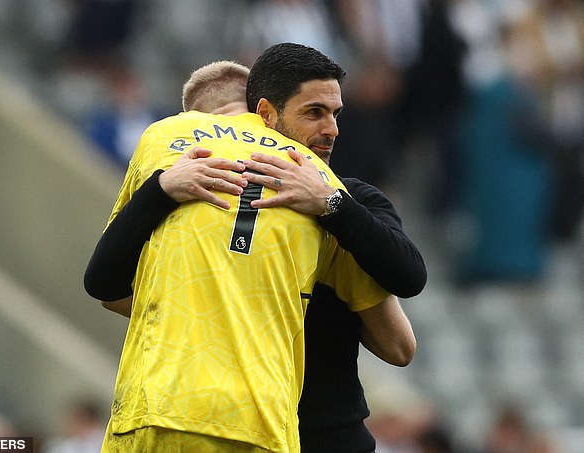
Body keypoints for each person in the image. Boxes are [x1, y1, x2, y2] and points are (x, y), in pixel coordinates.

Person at [86, 44, 426, 452]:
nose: (331, 128)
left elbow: (402, 330)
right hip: (252, 425)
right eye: (314, 112)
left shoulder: (345, 198)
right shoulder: (188, 189)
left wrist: (331, 208)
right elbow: (106, 286)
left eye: (334, 114)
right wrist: (162, 193)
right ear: (265, 114)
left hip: (321, 433)